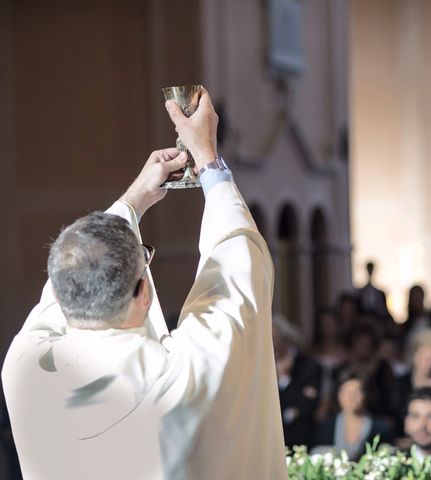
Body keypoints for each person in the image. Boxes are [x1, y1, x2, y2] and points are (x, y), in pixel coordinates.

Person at [1, 90, 287, 479]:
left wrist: (133, 199)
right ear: (144, 294)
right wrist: (207, 159)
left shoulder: (25, 367)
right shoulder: (184, 376)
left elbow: (73, 269)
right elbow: (239, 276)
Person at [313, 370, 392, 460]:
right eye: (346, 392)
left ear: (366, 394)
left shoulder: (381, 428)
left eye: (356, 392)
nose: (351, 397)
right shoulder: (326, 427)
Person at [273, 314, 322, 447]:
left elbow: (307, 407)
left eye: (274, 339)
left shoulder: (308, 366)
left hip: (301, 439)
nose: (270, 344)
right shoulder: (264, 366)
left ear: (285, 340)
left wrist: (285, 380)